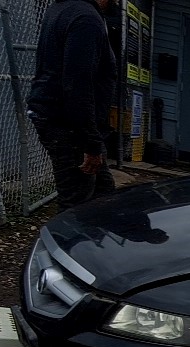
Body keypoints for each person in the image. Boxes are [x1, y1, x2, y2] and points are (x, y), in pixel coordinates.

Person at [28, 0, 117, 211]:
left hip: (68, 121)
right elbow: (77, 84)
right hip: (70, 126)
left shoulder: (65, 9)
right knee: (77, 206)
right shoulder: (85, 19)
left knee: (103, 192)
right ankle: (64, 243)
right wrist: (90, 143)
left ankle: (98, 241)